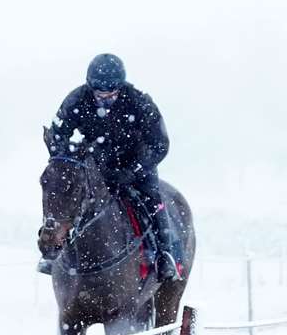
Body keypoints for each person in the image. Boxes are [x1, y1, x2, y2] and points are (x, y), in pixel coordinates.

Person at [41, 52, 182, 281]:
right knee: (65, 193)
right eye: (99, 96)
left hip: (135, 166)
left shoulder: (139, 102)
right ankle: (53, 250)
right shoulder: (76, 100)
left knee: (153, 199)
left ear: (120, 88)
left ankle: (165, 254)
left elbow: (160, 144)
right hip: (96, 166)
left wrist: (134, 170)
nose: (103, 101)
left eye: (110, 96)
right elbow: (58, 134)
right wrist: (67, 157)